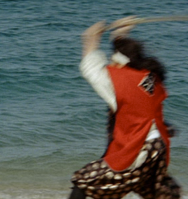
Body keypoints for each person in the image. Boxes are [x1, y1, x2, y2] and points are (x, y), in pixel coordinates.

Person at [68, 16, 181, 199]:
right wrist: (121, 34)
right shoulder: (149, 77)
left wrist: (91, 38)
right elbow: (125, 58)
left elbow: (90, 68)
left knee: (84, 181)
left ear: (121, 63)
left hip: (139, 149)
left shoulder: (119, 85)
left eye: (114, 61)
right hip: (157, 149)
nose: (111, 65)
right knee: (160, 194)